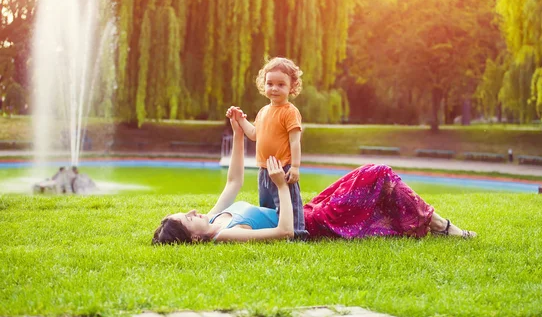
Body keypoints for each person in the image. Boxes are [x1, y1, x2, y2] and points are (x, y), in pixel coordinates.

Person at [152, 117, 476, 245]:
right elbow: (285, 232)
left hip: (309, 208)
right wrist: (281, 185)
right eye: (187, 218)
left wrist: (239, 134)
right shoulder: (224, 235)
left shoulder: (213, 218)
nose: (193, 211)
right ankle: (445, 228)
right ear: (193, 239)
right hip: (316, 222)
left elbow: (234, 182)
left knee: (374, 175)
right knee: (378, 173)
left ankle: (433, 225)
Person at [226, 57, 307, 239]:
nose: (274, 88)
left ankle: (297, 233)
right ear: (264, 85)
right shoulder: (263, 112)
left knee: (289, 202)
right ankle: (272, 231)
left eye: (281, 84)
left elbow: (295, 141)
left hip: (283, 169)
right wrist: (240, 119)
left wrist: (295, 167)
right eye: (270, 83)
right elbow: (254, 134)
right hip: (264, 170)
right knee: (267, 205)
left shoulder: (290, 112)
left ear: (291, 87)